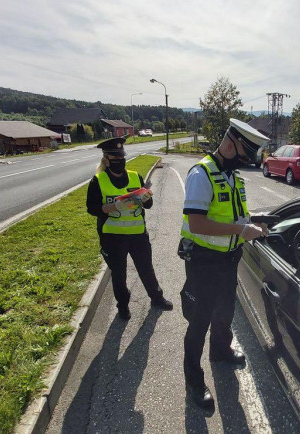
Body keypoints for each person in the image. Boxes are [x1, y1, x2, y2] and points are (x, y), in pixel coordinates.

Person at [179, 119, 269, 410]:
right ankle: (194, 381)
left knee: (225, 311)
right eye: (244, 155)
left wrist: (254, 221)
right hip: (204, 261)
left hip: (230, 259)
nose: (245, 162)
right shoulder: (201, 174)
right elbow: (197, 222)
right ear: (231, 144)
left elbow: (234, 214)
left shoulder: (234, 176)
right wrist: (241, 231)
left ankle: (220, 351)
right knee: (199, 321)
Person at [86, 136, 173, 320]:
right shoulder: (98, 181)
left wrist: (146, 197)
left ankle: (157, 298)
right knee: (119, 275)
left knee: (146, 269)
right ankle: (123, 306)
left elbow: (148, 205)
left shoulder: (135, 176)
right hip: (112, 238)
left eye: (122, 157)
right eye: (115, 158)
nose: (120, 161)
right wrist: (114, 206)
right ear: (106, 160)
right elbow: (92, 208)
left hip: (138, 235)